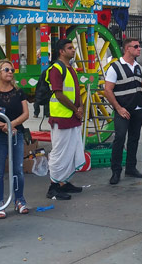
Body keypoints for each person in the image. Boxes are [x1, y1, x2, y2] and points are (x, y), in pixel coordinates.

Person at [0, 59, 30, 218]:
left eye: (12, 70)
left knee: (18, 169)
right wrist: (2, 126)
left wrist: (11, 124)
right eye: (6, 69)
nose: (10, 72)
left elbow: (26, 113)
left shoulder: (19, 91)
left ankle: (19, 200)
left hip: (16, 133)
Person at [104, 38, 142, 184]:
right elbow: (108, 90)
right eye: (137, 46)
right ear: (127, 49)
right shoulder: (115, 67)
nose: (139, 49)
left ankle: (131, 168)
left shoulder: (139, 68)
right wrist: (118, 108)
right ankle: (116, 171)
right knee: (119, 138)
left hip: (138, 109)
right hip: (123, 110)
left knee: (134, 139)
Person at [45, 38, 85, 200]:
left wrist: (80, 107)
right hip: (61, 117)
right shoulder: (56, 69)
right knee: (60, 152)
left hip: (72, 116)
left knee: (71, 150)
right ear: (61, 51)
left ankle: (64, 182)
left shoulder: (70, 69)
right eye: (70, 48)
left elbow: (76, 90)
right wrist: (76, 109)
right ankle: (54, 186)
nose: (73, 50)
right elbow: (58, 94)